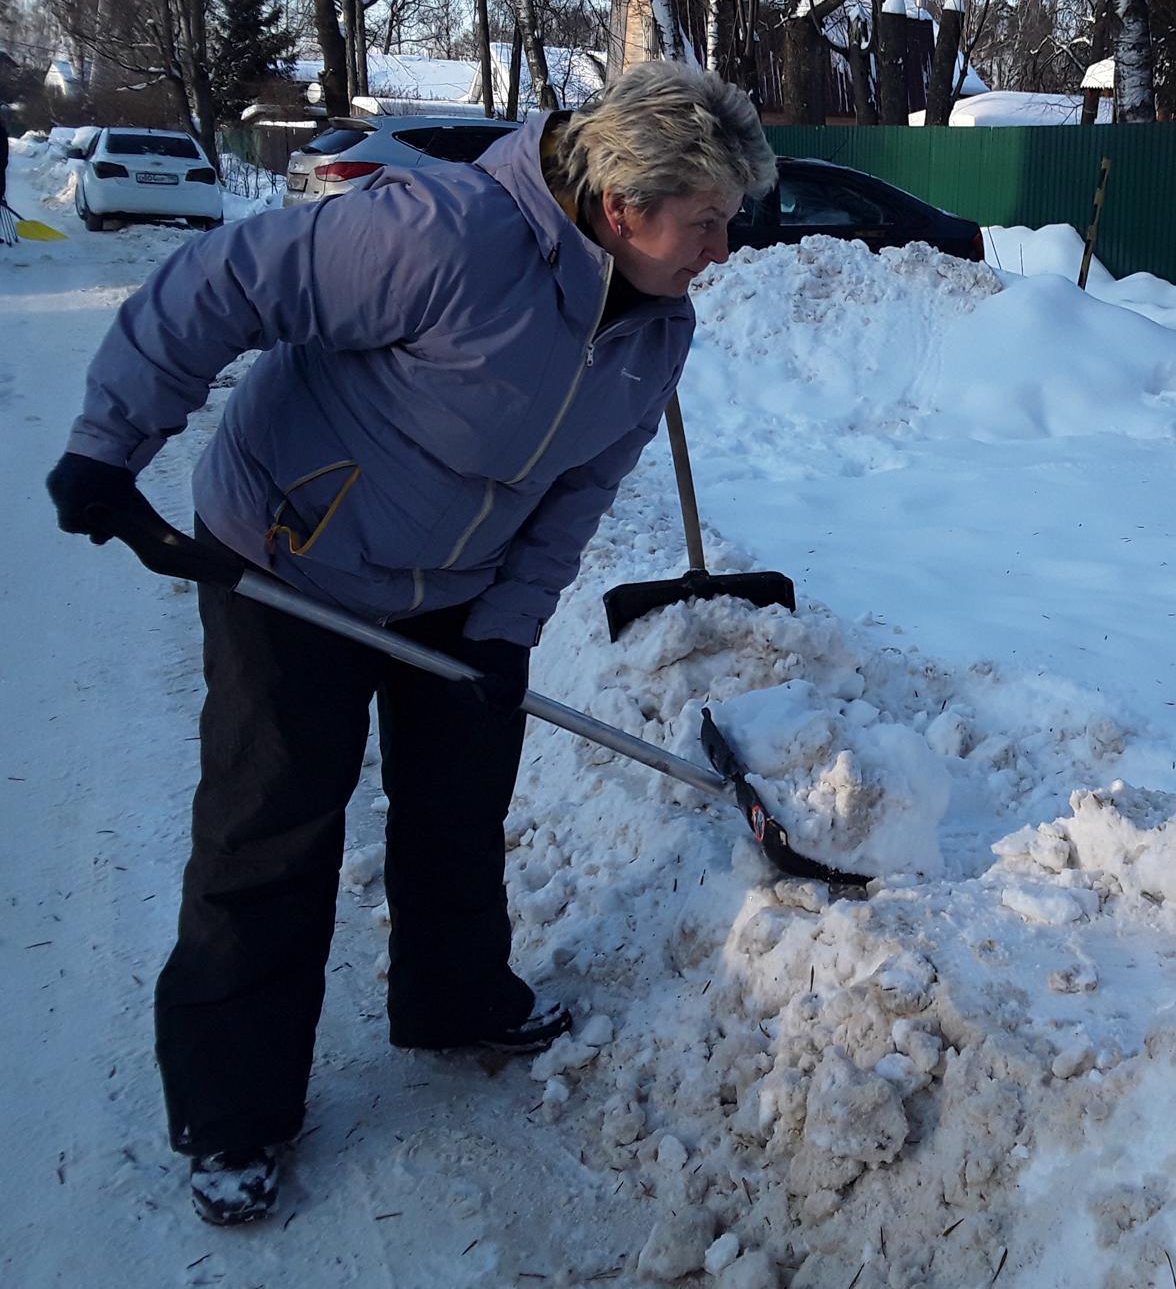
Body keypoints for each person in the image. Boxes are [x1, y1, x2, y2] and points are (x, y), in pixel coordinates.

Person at [45, 62, 777, 1227]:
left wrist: (503, 631)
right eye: (706, 223)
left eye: (729, 223)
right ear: (627, 205)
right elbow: (217, 283)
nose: (721, 249)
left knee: (458, 800)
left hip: (459, 584)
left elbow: (578, 493)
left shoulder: (656, 331)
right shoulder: (447, 235)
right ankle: (233, 1114)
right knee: (271, 823)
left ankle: (455, 999)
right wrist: (108, 444)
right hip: (294, 558)